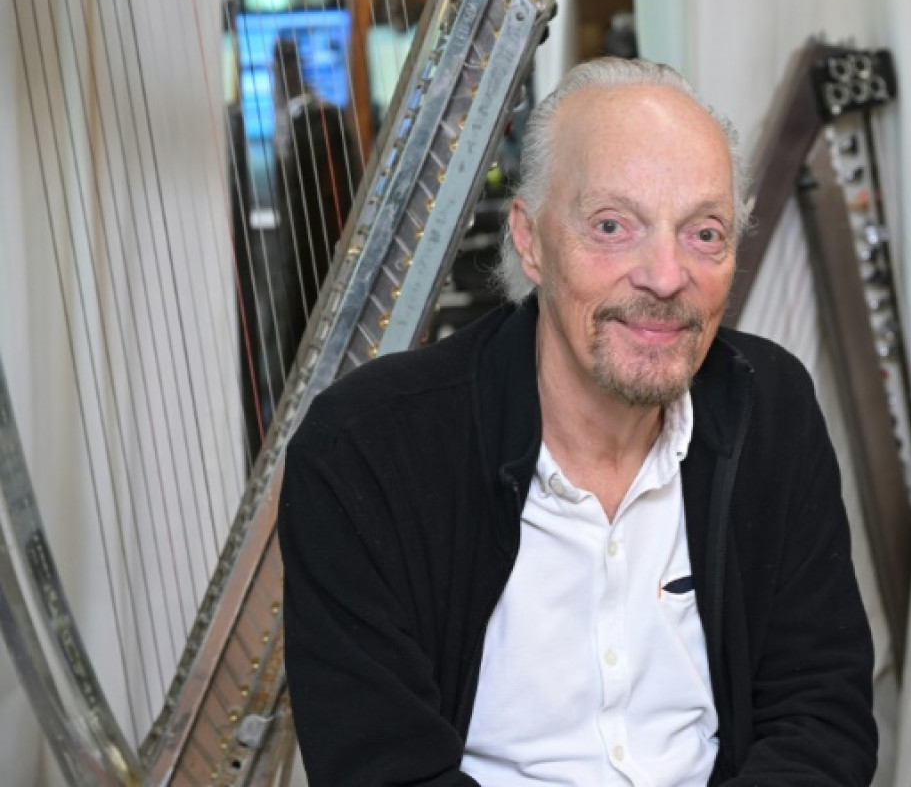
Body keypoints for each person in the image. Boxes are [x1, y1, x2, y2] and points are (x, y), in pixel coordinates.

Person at [279, 57, 877, 786]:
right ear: (530, 240)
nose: (664, 277)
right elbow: (383, 772)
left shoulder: (772, 408)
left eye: (705, 234)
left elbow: (822, 716)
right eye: (612, 226)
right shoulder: (364, 456)